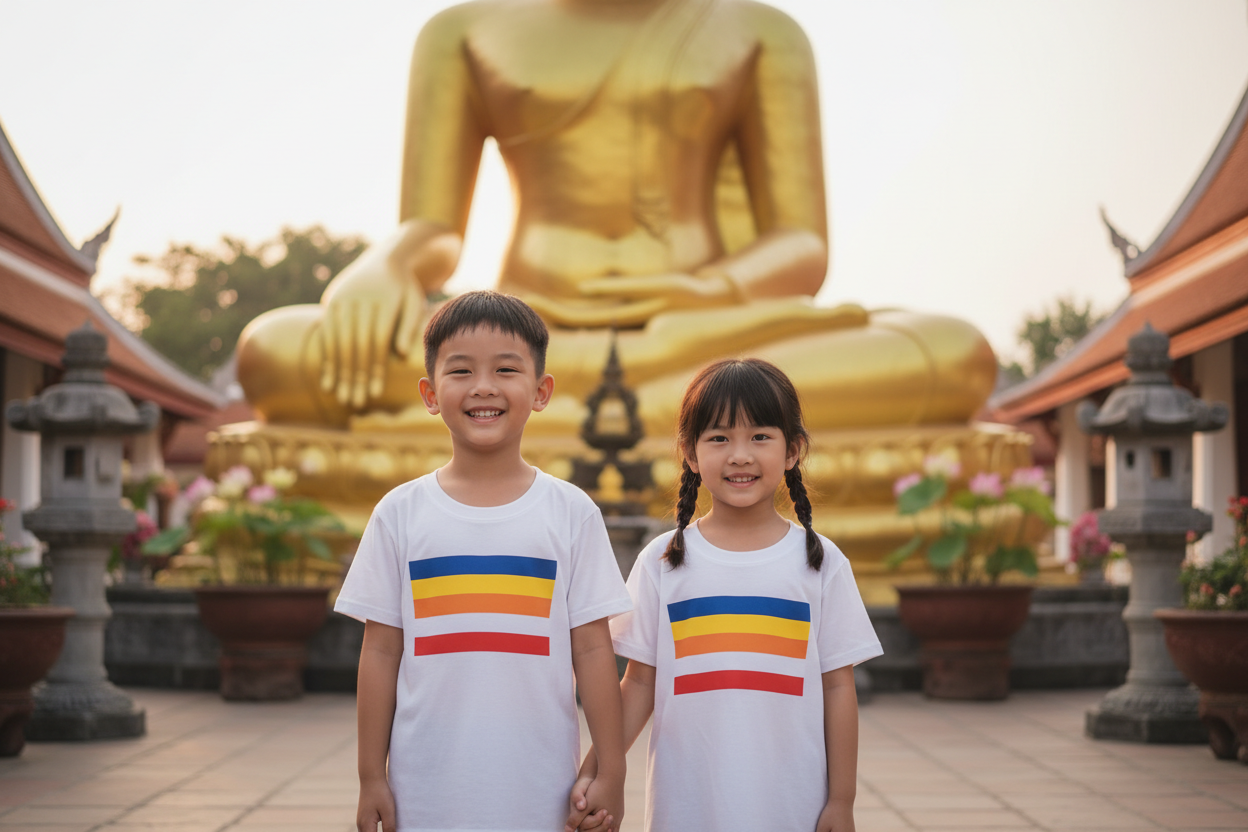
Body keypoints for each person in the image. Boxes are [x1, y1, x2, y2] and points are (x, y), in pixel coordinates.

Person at [334, 290, 633, 832]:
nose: (483, 387)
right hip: (424, 787)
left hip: (541, 787)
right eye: (461, 370)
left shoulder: (570, 512)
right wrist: (370, 777)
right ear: (429, 393)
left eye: (506, 369)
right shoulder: (400, 512)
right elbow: (379, 652)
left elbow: (592, 648)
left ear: (542, 391)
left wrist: (611, 769)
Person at [566, 358, 882, 832]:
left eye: (760, 437)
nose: (739, 455)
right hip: (688, 807)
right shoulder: (664, 560)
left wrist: (842, 800)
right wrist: (599, 769)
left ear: (793, 450)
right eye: (719, 438)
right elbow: (638, 683)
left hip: (792, 807)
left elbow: (838, 688)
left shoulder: (820, 562)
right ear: (690, 454)